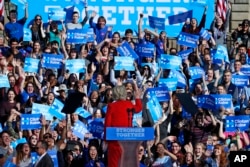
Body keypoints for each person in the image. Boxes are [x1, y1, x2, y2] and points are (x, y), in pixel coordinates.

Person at [104, 85, 142, 167]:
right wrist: (137, 98)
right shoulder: (129, 104)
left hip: (114, 140)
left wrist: (105, 140)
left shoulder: (111, 106)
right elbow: (139, 108)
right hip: (127, 140)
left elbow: (107, 124)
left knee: (114, 163)